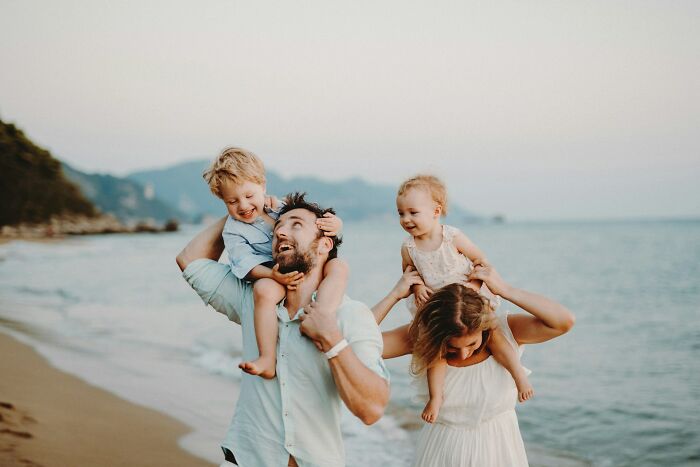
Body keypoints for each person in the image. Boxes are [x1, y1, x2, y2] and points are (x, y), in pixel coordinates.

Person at [176, 192, 390, 467]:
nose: (281, 233)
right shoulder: (254, 300)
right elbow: (190, 260)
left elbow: (372, 409)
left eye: (296, 225)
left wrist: (332, 339)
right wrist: (243, 207)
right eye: (278, 229)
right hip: (245, 460)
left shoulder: (350, 315)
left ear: (325, 244)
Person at [373, 260, 575, 467]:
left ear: (484, 327)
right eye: (451, 348)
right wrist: (394, 296)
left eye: (472, 344)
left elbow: (563, 321)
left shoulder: (506, 332)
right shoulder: (423, 338)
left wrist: (506, 290)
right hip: (442, 452)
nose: (462, 354)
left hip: (499, 449)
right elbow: (353, 345)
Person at [395, 174, 533, 423]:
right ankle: (436, 397)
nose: (406, 219)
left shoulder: (452, 237)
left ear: (436, 211)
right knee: (435, 352)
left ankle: (518, 374)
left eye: (413, 212)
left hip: (469, 302)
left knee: (495, 337)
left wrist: (474, 285)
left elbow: (481, 261)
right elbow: (409, 275)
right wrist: (417, 289)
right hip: (438, 309)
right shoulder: (409, 247)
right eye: (401, 213)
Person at [202, 147, 347, 379]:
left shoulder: (280, 207)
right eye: (232, 201)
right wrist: (273, 276)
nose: (243, 206)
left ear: (263, 186)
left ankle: (323, 314)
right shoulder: (233, 231)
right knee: (264, 291)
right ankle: (267, 359)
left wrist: (336, 224)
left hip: (307, 265)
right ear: (223, 201)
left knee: (339, 266)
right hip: (272, 271)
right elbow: (244, 264)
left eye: (249, 196)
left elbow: (315, 222)